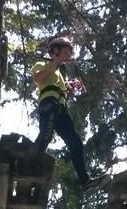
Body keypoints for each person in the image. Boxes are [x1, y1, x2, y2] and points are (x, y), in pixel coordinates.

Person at [31, 37, 93, 190]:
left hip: (60, 108)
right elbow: (37, 78)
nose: (68, 55)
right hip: (48, 104)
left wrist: (68, 88)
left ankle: (85, 180)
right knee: (45, 136)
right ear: (55, 51)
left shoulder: (59, 74)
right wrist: (55, 62)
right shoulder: (42, 65)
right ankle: (28, 164)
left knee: (75, 142)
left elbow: (59, 89)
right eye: (65, 51)